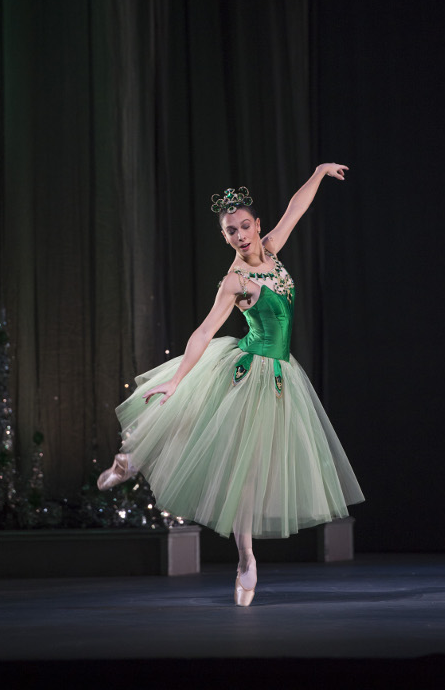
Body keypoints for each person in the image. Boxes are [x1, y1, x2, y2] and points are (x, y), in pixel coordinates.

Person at [98, 164, 364, 605]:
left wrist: (317, 173)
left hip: (280, 375)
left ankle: (131, 459)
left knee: (252, 469)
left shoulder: (273, 249)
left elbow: (296, 208)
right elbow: (203, 332)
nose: (240, 235)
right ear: (224, 237)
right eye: (231, 231)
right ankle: (242, 557)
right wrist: (178, 377)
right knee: (221, 451)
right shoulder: (235, 281)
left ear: (257, 226)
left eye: (245, 226)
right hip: (249, 371)